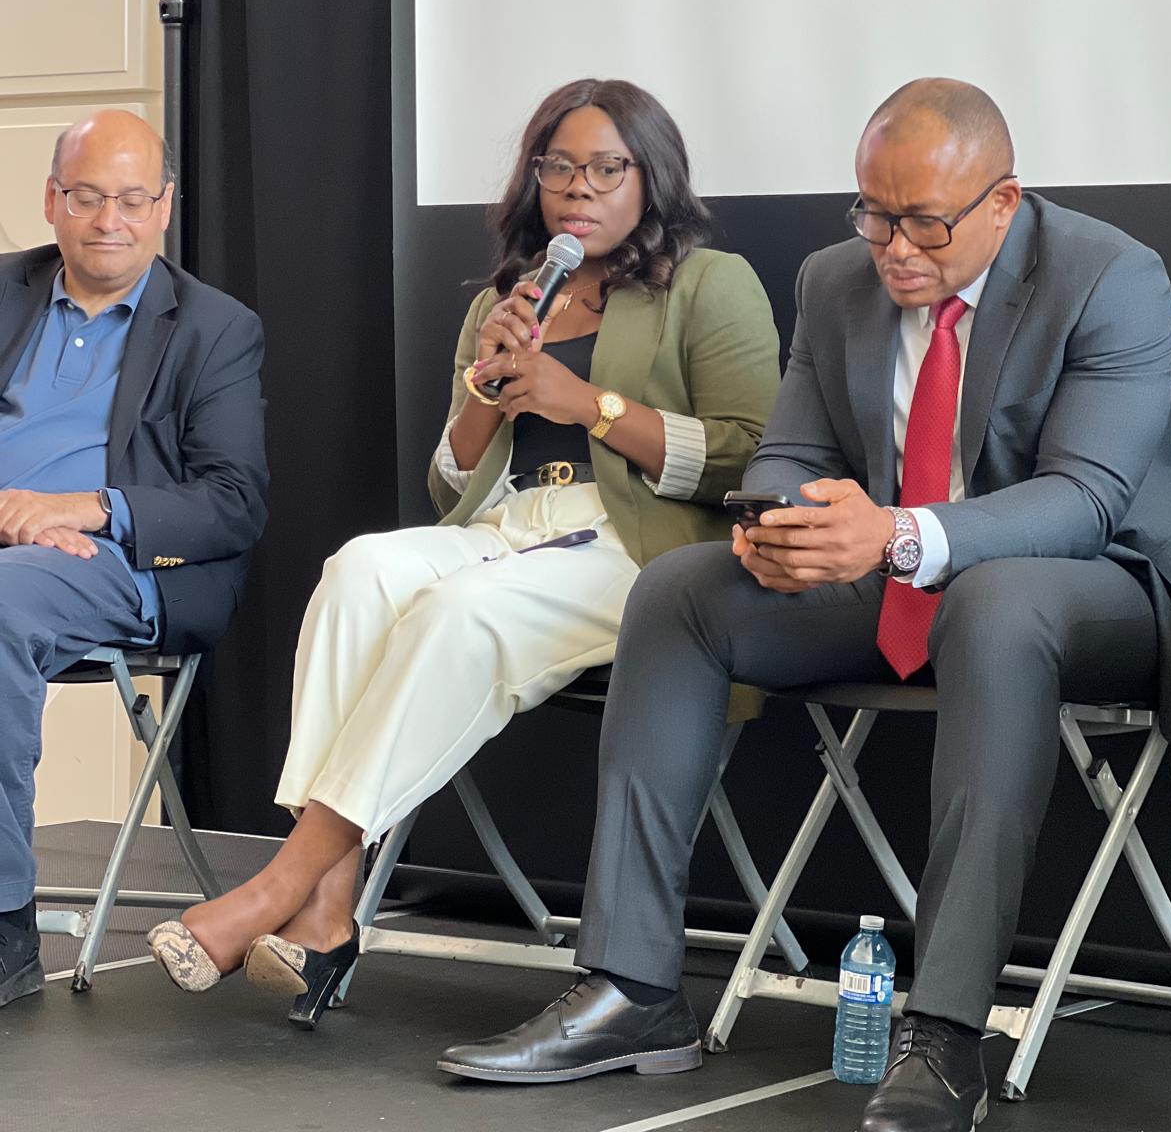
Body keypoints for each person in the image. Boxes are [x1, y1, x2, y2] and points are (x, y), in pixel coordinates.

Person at [441, 78, 1171, 1132]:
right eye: (873, 215)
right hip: (901, 574)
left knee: (997, 603)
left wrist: (891, 535)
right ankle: (631, 988)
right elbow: (791, 455)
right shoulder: (836, 278)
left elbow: (1086, 499)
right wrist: (780, 527)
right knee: (682, 590)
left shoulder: (1110, 275)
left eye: (924, 224)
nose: (894, 250)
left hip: (1098, 582)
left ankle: (945, 1032)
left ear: (1002, 202)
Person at [147, 78, 781, 1017]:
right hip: (510, 525)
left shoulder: (708, 282)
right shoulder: (511, 297)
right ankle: (328, 910)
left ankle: (284, 884)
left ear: (652, 177)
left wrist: (590, 406)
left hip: (640, 548)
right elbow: (453, 480)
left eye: (607, 167)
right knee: (359, 570)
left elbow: (746, 454)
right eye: (559, 166)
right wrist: (485, 386)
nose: (579, 187)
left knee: (460, 609)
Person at [0, 110, 267, 1010]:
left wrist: (87, 508)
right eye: (86, 196)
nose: (108, 219)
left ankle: (3, 926)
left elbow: (233, 501)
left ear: (164, 207)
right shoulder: (3, 291)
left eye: (130, 199)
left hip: (123, 561)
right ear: (51, 199)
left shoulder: (214, 328)